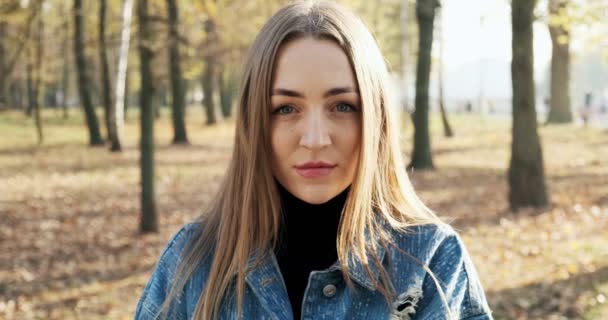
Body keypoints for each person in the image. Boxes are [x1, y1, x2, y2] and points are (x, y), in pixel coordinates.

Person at [135, 1, 493, 319]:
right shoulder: (193, 261)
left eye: (342, 107)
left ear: (375, 118)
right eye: (286, 108)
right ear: (254, 121)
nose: (316, 139)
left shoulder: (430, 261)